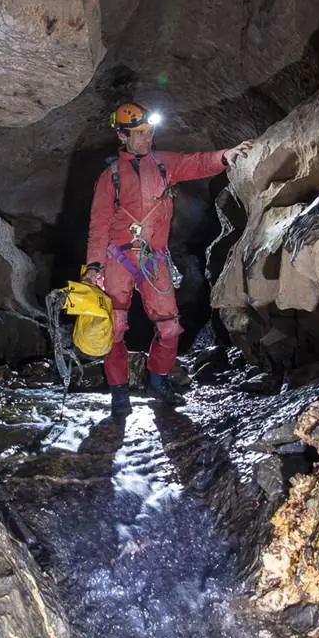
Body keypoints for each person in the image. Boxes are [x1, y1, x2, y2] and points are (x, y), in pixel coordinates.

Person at [81, 101, 253, 417]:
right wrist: (94, 266)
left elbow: (197, 163)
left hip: (154, 259)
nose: (147, 138)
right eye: (140, 133)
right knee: (114, 327)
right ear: (122, 136)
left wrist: (225, 157)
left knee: (170, 328)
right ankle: (119, 391)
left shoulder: (163, 165)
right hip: (117, 257)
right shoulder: (111, 177)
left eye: (150, 132)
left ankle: (158, 381)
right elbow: (98, 223)